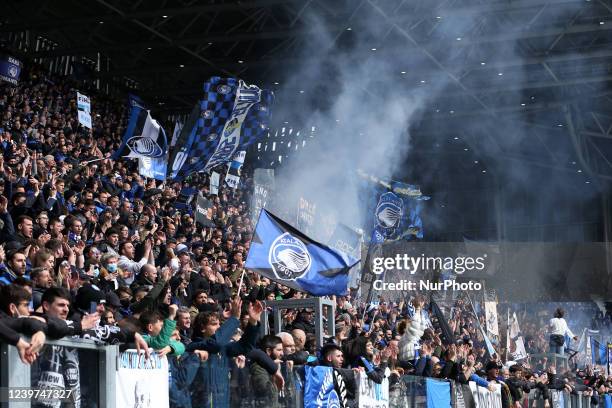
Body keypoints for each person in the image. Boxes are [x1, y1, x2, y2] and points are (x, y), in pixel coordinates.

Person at [187, 297, 263, 408]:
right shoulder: (194, 346)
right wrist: (235, 318)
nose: (218, 327)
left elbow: (245, 346)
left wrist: (253, 322)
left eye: (219, 324)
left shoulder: (223, 349)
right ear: (202, 328)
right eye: (214, 324)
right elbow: (216, 343)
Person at [250, 334, 284, 408]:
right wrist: (274, 373)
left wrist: (289, 371)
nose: (282, 353)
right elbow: (267, 392)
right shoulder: (258, 368)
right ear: (268, 351)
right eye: (279, 350)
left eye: (282, 350)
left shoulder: (280, 366)